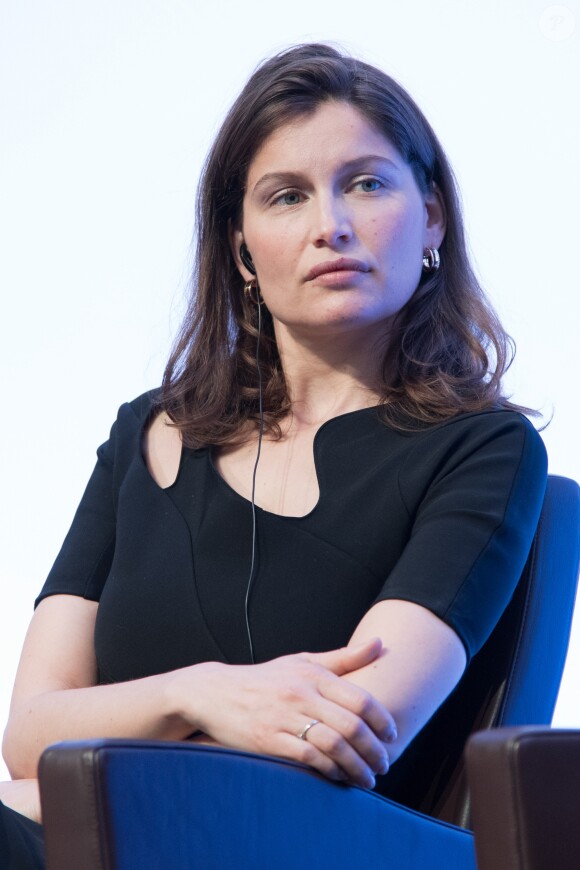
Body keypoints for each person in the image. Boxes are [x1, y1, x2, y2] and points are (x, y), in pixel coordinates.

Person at [0, 43, 547, 867]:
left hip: (317, 843)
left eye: (365, 182)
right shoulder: (145, 433)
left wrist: (106, 744)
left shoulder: (483, 452)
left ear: (431, 214)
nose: (330, 224)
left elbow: (349, 730)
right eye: (286, 196)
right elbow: (32, 728)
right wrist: (205, 693)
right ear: (243, 250)